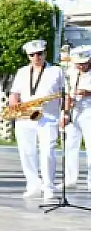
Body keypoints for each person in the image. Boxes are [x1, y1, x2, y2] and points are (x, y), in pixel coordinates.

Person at [10, 40, 64, 198]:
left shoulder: (56, 71)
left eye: (39, 54)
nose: (36, 57)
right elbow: (14, 93)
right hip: (25, 117)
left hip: (48, 116)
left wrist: (65, 113)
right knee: (27, 152)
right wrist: (14, 103)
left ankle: (49, 186)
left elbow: (64, 93)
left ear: (45, 54)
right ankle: (33, 184)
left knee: (48, 152)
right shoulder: (22, 72)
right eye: (32, 55)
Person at [64, 47, 91, 193]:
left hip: (89, 112)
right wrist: (66, 112)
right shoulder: (71, 72)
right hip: (74, 112)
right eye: (78, 64)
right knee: (70, 145)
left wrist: (86, 92)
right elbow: (67, 93)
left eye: (83, 63)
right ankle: (70, 179)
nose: (80, 66)